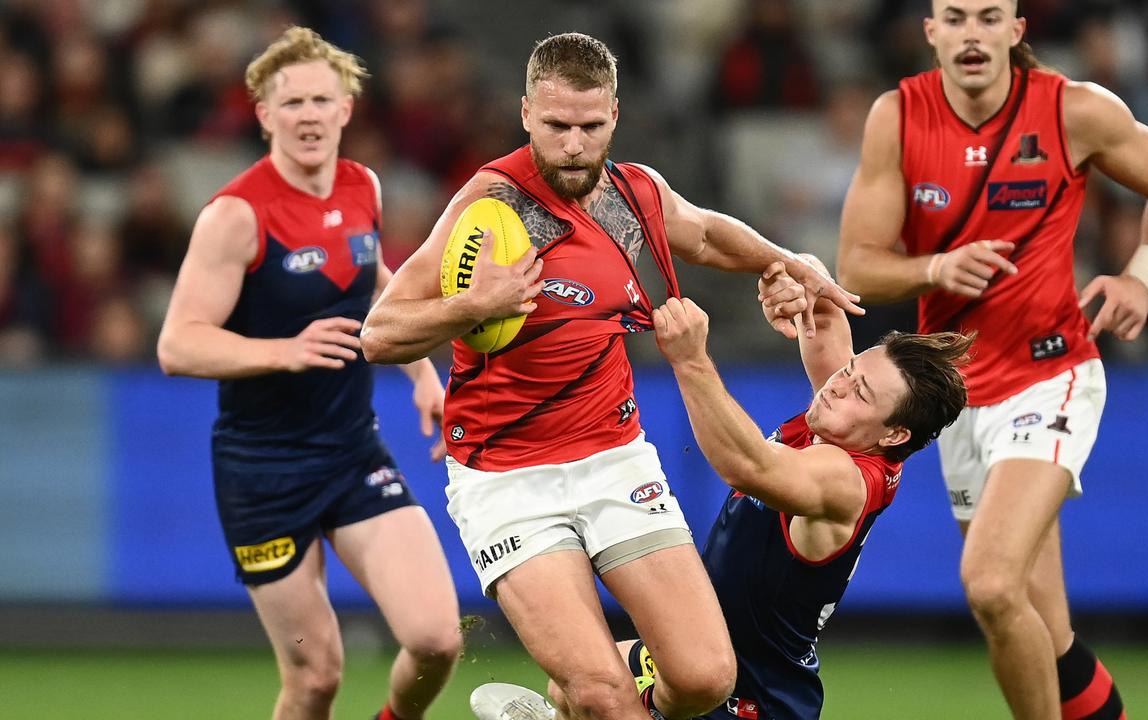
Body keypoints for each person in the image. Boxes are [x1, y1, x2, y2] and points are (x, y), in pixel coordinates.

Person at [360, 32, 861, 720]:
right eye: (557, 125)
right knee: (605, 696)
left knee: (706, 677)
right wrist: (476, 304)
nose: (573, 143)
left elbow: (708, 233)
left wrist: (786, 262)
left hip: (615, 462)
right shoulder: (492, 208)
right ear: (527, 113)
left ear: (615, 117)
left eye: (590, 127)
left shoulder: (634, 194)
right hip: (509, 480)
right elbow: (379, 333)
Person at [834, 2, 1148, 719]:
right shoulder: (898, 118)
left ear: (1016, 31)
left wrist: (1141, 277)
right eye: (956, 17)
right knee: (1041, 628)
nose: (973, 33)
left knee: (992, 584)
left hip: (1052, 373)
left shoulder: (1073, 111)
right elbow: (858, 265)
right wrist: (937, 268)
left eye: (990, 16)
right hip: (961, 397)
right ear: (931, 30)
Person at [473, 261, 973, 720]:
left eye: (860, 390)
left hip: (754, 700)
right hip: (713, 657)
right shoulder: (848, 416)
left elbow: (748, 467)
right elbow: (825, 317)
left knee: (600, 694)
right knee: (581, 687)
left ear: (894, 436)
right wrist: (798, 281)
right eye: (851, 370)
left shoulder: (846, 478)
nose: (839, 385)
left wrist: (692, 362)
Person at [155, 27, 461, 720]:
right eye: (291, 103)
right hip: (262, 473)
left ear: (347, 108)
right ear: (264, 114)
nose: (309, 115)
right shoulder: (236, 214)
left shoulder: (363, 186)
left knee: (437, 638)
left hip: (354, 454)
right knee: (317, 678)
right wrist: (282, 350)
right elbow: (177, 345)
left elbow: (374, 288)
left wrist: (422, 377)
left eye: (323, 99)